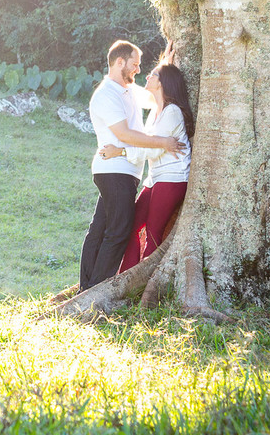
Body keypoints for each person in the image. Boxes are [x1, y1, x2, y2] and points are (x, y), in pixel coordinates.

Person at [80, 41, 184, 292]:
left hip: (123, 170)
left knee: (101, 228)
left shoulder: (127, 91)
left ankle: (87, 288)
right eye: (135, 65)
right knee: (118, 231)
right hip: (115, 170)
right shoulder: (107, 95)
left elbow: (155, 90)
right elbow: (124, 134)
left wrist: (166, 65)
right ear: (119, 62)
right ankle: (97, 289)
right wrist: (163, 142)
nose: (138, 70)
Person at [99, 62, 193, 271]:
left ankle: (145, 282)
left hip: (172, 179)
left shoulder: (172, 112)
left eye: (153, 74)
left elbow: (152, 149)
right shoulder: (155, 112)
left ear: (163, 83)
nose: (148, 77)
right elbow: (149, 143)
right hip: (155, 179)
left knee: (152, 232)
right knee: (132, 227)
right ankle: (125, 277)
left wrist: (120, 151)